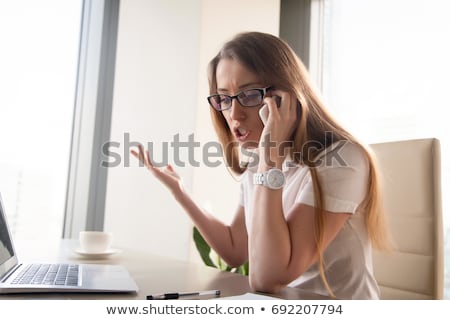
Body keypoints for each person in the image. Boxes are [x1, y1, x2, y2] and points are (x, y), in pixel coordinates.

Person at [132, 31, 391, 299]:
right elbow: (234, 248)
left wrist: (270, 158)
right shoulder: (261, 161)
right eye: (224, 98)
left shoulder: (343, 160)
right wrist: (180, 192)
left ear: (285, 97)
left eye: (250, 95)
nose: (234, 114)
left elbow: (269, 277)